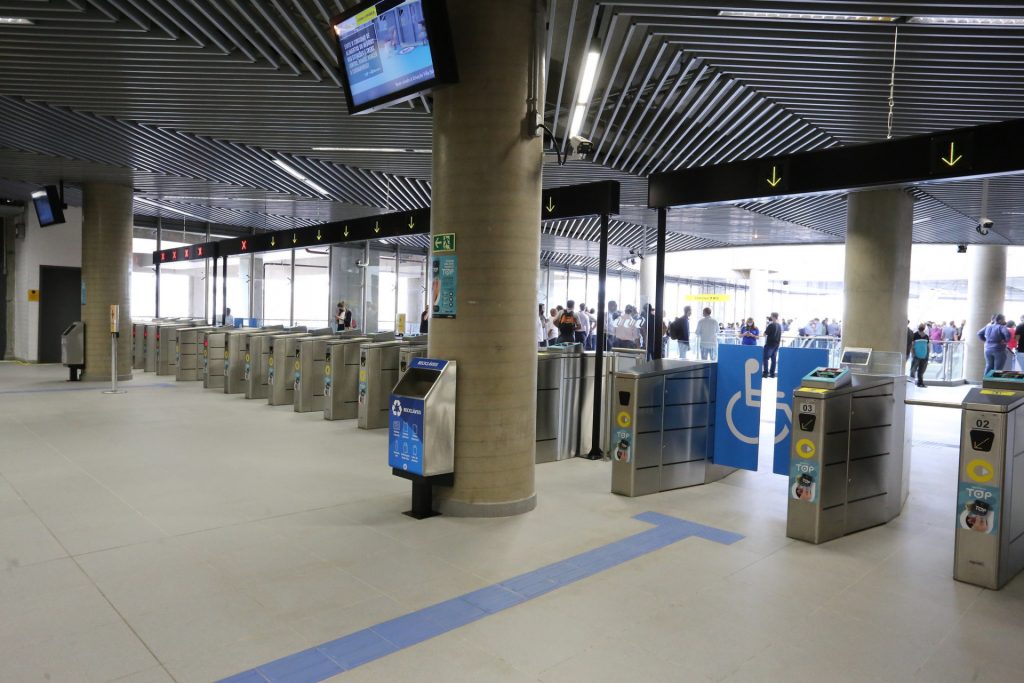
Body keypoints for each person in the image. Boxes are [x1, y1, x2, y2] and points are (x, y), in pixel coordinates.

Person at [763, 312, 782, 378]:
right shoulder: (779, 325)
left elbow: (764, 334)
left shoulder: (771, 325)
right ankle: (772, 374)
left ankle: (765, 373)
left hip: (770, 344)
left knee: (765, 358)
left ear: (773, 316)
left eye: (771, 316)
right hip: (776, 344)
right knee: (773, 360)